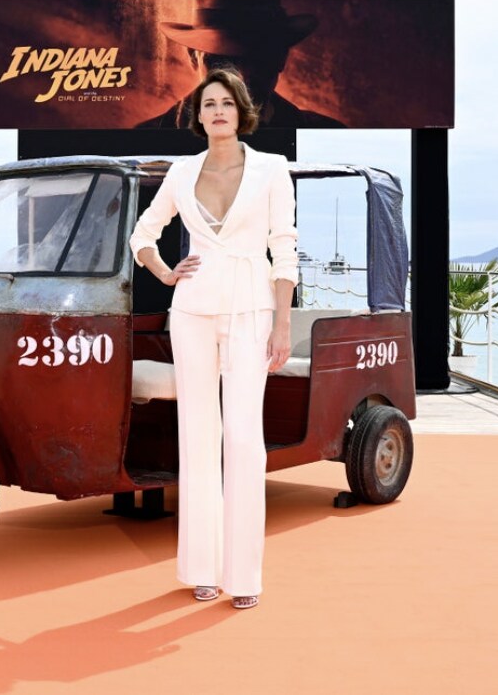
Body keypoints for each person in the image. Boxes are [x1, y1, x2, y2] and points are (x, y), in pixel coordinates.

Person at [129, 68, 298, 609]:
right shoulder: (181, 173)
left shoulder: (272, 170)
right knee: (198, 437)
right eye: (209, 104)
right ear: (198, 116)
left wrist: (283, 322)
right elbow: (142, 236)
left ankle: (243, 576)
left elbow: (284, 248)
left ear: (240, 110)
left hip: (252, 310)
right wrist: (164, 272)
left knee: (244, 441)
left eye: (226, 102)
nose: (218, 111)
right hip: (193, 311)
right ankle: (202, 567)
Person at [135, 0, 345, 129]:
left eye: (259, 58)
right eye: (222, 61)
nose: (241, 79)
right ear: (193, 57)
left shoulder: (328, 135)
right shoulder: (145, 139)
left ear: (281, 58)